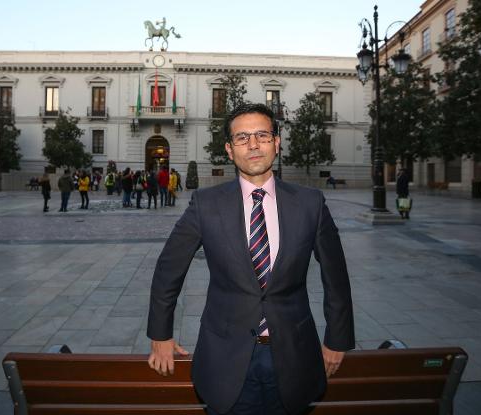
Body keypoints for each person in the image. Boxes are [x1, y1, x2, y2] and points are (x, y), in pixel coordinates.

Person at [147, 103, 354, 415]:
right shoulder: (205, 204)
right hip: (224, 359)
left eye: (262, 135)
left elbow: (336, 277)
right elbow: (168, 270)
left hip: (295, 357)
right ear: (230, 150)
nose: (254, 144)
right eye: (242, 138)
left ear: (277, 143)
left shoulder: (310, 203)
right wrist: (160, 335)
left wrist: (337, 340)